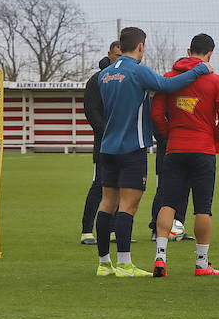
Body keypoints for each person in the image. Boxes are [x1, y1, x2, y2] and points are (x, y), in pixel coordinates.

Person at [93, 27, 209, 278]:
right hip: (132, 148)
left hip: (107, 148)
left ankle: (104, 264)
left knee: (106, 204)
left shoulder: (104, 75)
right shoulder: (137, 71)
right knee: (128, 206)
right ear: (141, 46)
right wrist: (199, 69)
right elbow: (168, 85)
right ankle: (124, 264)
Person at [149, 33, 219, 277]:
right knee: (203, 209)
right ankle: (201, 263)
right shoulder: (215, 80)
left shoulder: (169, 77)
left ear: (188, 51)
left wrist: (170, 134)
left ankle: (160, 258)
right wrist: (211, 138)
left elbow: (156, 114)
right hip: (203, 150)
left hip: (175, 148)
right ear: (210, 54)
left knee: (168, 203)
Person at [80, 40, 121, 246]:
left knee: (121, 188)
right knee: (99, 186)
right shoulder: (96, 80)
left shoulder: (125, 80)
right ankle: (87, 231)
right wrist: (109, 132)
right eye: (116, 55)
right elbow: (91, 112)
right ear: (109, 55)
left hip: (123, 144)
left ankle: (114, 232)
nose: (119, 60)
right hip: (104, 145)